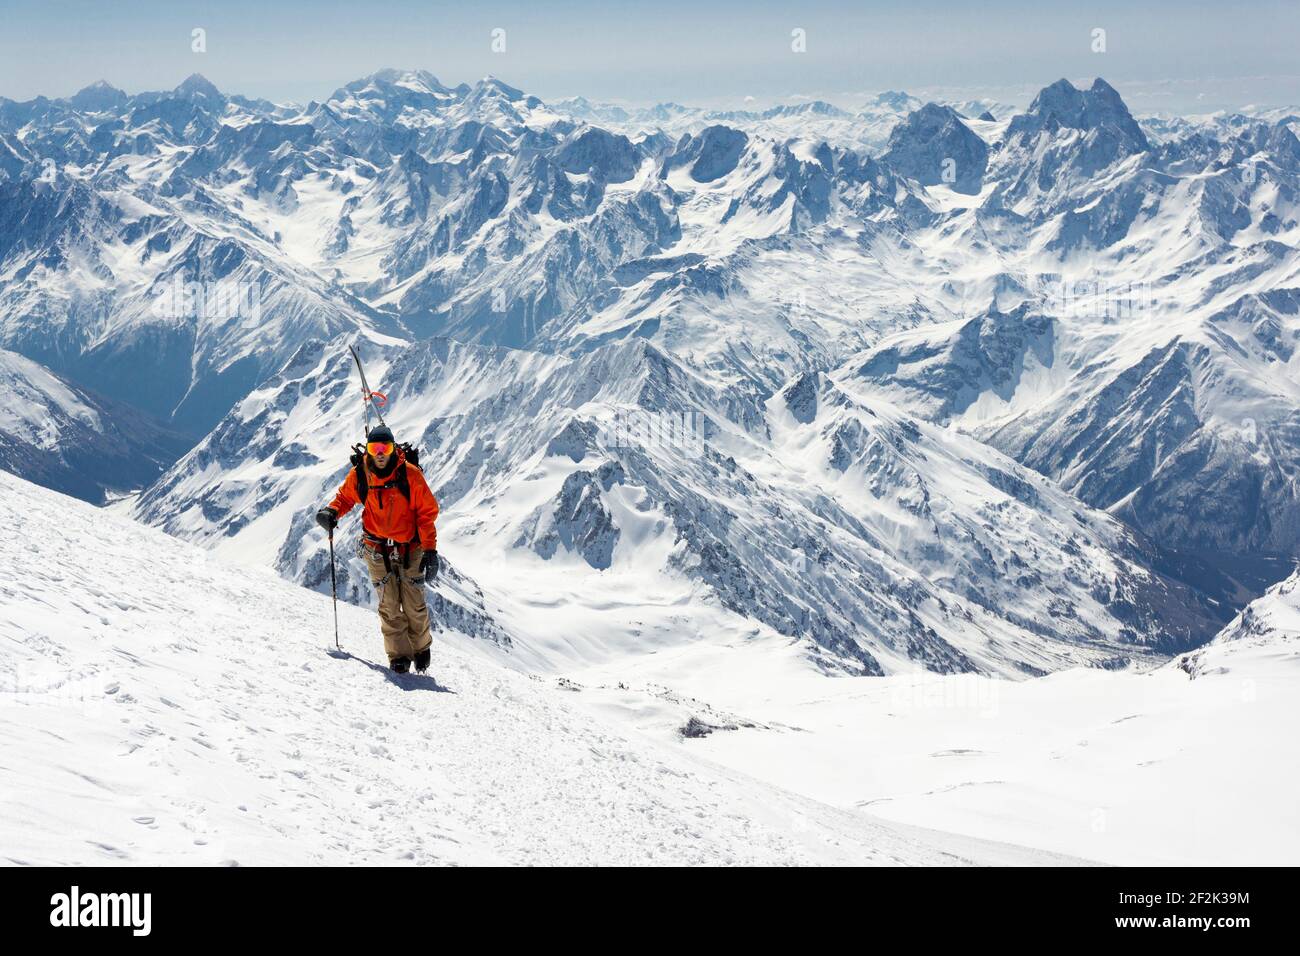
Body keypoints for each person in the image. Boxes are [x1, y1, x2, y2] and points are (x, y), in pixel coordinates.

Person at [316, 425, 440, 673]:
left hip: (410, 548)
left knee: (414, 605)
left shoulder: (410, 475)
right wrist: (331, 511)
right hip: (376, 548)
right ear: (368, 451)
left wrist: (430, 549)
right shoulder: (361, 474)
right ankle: (399, 657)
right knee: (389, 605)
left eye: (386, 447)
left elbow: (426, 513)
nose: (381, 453)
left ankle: (421, 647)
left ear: (394, 449)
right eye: (375, 448)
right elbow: (345, 498)